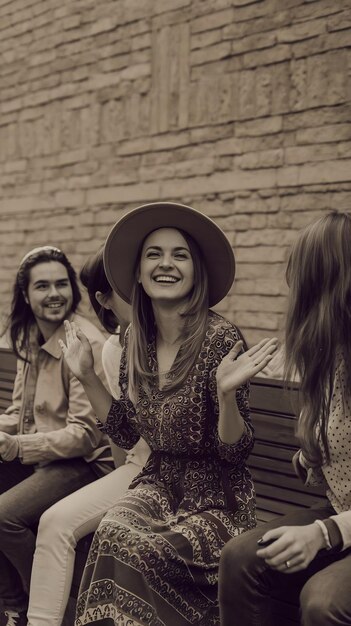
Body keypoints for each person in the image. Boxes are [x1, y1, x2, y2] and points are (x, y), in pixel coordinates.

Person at [60, 201, 278, 626]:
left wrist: (226, 394)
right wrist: (86, 375)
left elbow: (235, 454)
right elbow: (125, 432)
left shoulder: (221, 339)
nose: (166, 264)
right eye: (153, 255)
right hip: (159, 485)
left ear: (196, 271)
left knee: (135, 546)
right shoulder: (135, 341)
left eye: (180, 255)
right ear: (138, 273)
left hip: (218, 500)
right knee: (112, 532)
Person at [219, 211, 351, 626]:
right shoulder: (330, 357)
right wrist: (313, 455)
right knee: (240, 556)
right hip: (341, 510)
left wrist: (323, 533)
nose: (289, 289)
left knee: (322, 599)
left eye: (296, 276)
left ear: (321, 283)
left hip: (340, 523)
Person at [26, 248, 151, 626]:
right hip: (138, 467)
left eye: (136, 283)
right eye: (123, 288)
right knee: (54, 521)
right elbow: (122, 435)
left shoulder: (183, 339)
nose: (138, 293)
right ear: (104, 300)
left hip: (184, 475)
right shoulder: (113, 349)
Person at [0, 246, 114, 626]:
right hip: (45, 457)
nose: (54, 294)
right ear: (26, 294)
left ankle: (45, 609)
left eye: (62, 284)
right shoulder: (29, 337)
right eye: (42, 286)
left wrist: (17, 446)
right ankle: (12, 604)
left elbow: (86, 435)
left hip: (84, 465)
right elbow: (21, 411)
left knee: (3, 516)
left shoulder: (86, 342)